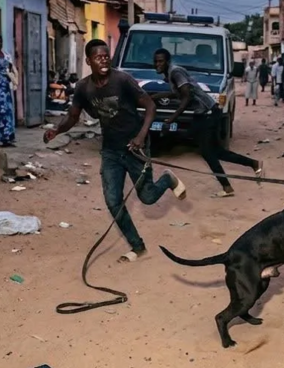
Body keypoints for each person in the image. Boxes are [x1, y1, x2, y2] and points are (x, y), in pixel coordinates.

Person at [45, 40, 186, 263]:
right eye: (98, 57)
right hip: (111, 151)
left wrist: (141, 136)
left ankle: (167, 179)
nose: (104, 59)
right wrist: (57, 130)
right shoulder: (83, 88)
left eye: (106, 55)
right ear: (89, 61)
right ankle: (137, 246)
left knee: (147, 197)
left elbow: (150, 106)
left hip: (135, 146)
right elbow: (73, 116)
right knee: (113, 201)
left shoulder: (122, 80)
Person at [153, 49, 262, 198]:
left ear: (168, 61)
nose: (157, 64)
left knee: (208, 152)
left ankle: (229, 184)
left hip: (208, 113)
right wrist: (158, 96)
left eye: (160, 61)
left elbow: (186, 97)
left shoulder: (175, 72)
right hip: (202, 114)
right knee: (214, 151)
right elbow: (181, 92)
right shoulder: (171, 74)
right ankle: (251, 165)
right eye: (156, 61)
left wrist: (171, 119)